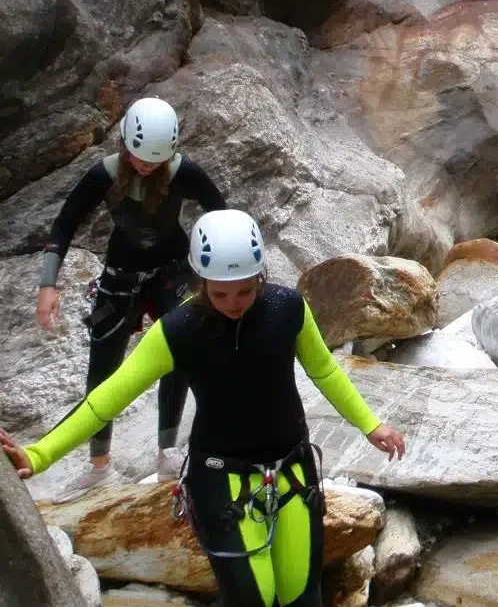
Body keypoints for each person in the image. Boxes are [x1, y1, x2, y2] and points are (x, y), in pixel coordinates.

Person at [2, 209, 406, 607]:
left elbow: (325, 373)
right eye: (220, 293)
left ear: (260, 276)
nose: (233, 303)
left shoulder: (288, 310)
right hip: (220, 481)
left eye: (245, 291)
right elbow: (105, 401)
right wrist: (40, 454)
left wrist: (371, 426)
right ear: (201, 281)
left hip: (292, 474)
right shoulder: (177, 331)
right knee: (253, 598)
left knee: (302, 598)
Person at [36, 96, 226, 502]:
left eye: (154, 161)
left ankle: (167, 454)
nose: (145, 166)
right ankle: (98, 465)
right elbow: (64, 224)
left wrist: (217, 273)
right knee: (101, 371)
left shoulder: (182, 172)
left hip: (173, 272)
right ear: (125, 144)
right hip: (120, 277)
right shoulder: (104, 174)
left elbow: (219, 214)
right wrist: (47, 285)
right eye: (139, 158)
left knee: (176, 358)